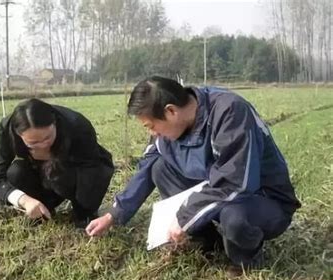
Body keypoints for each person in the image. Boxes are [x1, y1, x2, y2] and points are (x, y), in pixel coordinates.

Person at [85, 76, 301, 268]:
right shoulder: (167, 131)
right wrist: (114, 214)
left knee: (233, 217)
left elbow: (236, 182)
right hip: (216, 189)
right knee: (160, 168)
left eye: (151, 126)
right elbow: (148, 165)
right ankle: (208, 241)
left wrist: (185, 217)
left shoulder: (229, 111)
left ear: (171, 111)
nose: (152, 133)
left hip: (261, 198)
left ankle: (245, 261)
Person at [0, 98, 114, 227]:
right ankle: (42, 210)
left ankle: (83, 214)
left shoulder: (77, 125)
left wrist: (84, 211)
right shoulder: (7, 130)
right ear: (19, 134)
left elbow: (92, 168)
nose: (43, 145)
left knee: (60, 173)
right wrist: (24, 200)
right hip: (38, 174)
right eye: (33, 142)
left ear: (55, 123)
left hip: (72, 171)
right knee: (15, 173)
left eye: (48, 137)